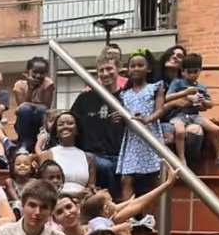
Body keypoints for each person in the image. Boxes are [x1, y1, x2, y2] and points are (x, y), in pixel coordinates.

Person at [70, 51, 123, 197]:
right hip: (94, 155)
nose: (105, 74)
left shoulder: (126, 97)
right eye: (101, 70)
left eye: (109, 69)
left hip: (121, 155)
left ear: (119, 69)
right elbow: (71, 120)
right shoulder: (85, 98)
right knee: (104, 166)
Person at [165, 53, 219, 169]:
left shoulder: (201, 87)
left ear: (200, 71)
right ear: (183, 71)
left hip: (194, 115)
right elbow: (167, 97)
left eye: (195, 71)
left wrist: (203, 100)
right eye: (189, 72)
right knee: (180, 132)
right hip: (178, 115)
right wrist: (185, 94)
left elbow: (210, 104)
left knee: (216, 130)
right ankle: (181, 158)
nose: (192, 75)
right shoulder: (177, 83)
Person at [117, 51, 164, 200]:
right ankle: (129, 217)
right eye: (133, 66)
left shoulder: (155, 87)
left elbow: (160, 110)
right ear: (128, 70)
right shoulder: (124, 94)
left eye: (140, 65)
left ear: (148, 69)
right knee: (126, 178)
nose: (136, 68)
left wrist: (147, 119)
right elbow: (124, 115)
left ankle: (152, 217)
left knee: (155, 177)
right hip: (132, 138)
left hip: (150, 134)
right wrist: (119, 120)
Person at [34, 111, 96, 198]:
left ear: (77, 129)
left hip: (83, 203)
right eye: (61, 124)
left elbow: (91, 187)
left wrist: (88, 193)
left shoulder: (89, 157)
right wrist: (73, 195)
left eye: (70, 123)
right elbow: (45, 189)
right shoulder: (46, 155)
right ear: (56, 131)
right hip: (55, 200)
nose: (65, 126)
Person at [13, 57, 55, 147]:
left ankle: (42, 141)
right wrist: (30, 87)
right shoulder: (19, 85)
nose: (38, 76)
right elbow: (22, 106)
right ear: (28, 71)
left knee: (41, 109)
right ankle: (24, 143)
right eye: (35, 72)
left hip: (40, 121)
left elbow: (46, 106)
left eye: (42, 73)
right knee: (25, 109)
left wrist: (27, 104)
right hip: (24, 122)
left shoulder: (48, 84)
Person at [5, 150, 35, 215]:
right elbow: (15, 198)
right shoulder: (10, 181)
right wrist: (21, 204)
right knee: (17, 204)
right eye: (18, 164)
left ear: (31, 169)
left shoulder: (34, 182)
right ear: (12, 168)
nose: (22, 166)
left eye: (26, 164)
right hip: (15, 206)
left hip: (29, 204)